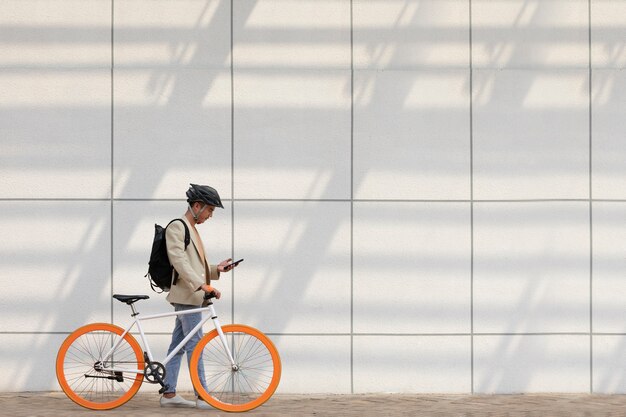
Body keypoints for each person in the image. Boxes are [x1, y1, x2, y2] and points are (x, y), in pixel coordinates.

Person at [160, 183, 237, 409]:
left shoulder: (191, 228)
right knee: (196, 345)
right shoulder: (178, 226)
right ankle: (203, 396)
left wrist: (216, 270)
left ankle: (169, 393)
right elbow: (179, 262)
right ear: (196, 205)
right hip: (187, 296)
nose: (210, 215)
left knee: (178, 346)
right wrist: (202, 285)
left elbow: (194, 265)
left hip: (191, 295)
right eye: (210, 210)